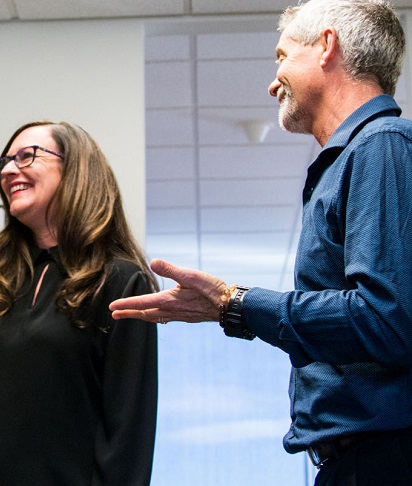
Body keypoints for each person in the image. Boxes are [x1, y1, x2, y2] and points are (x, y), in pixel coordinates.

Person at [109, 0, 412, 484]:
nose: (273, 82)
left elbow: (386, 319)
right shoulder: (357, 158)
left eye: (282, 57)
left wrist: (236, 304)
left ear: (327, 47)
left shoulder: (383, 144)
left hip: (382, 461)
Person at [0, 121, 159, 486]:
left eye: (26, 156)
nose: (9, 170)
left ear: (76, 169)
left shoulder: (121, 282)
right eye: (4, 163)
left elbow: (127, 436)